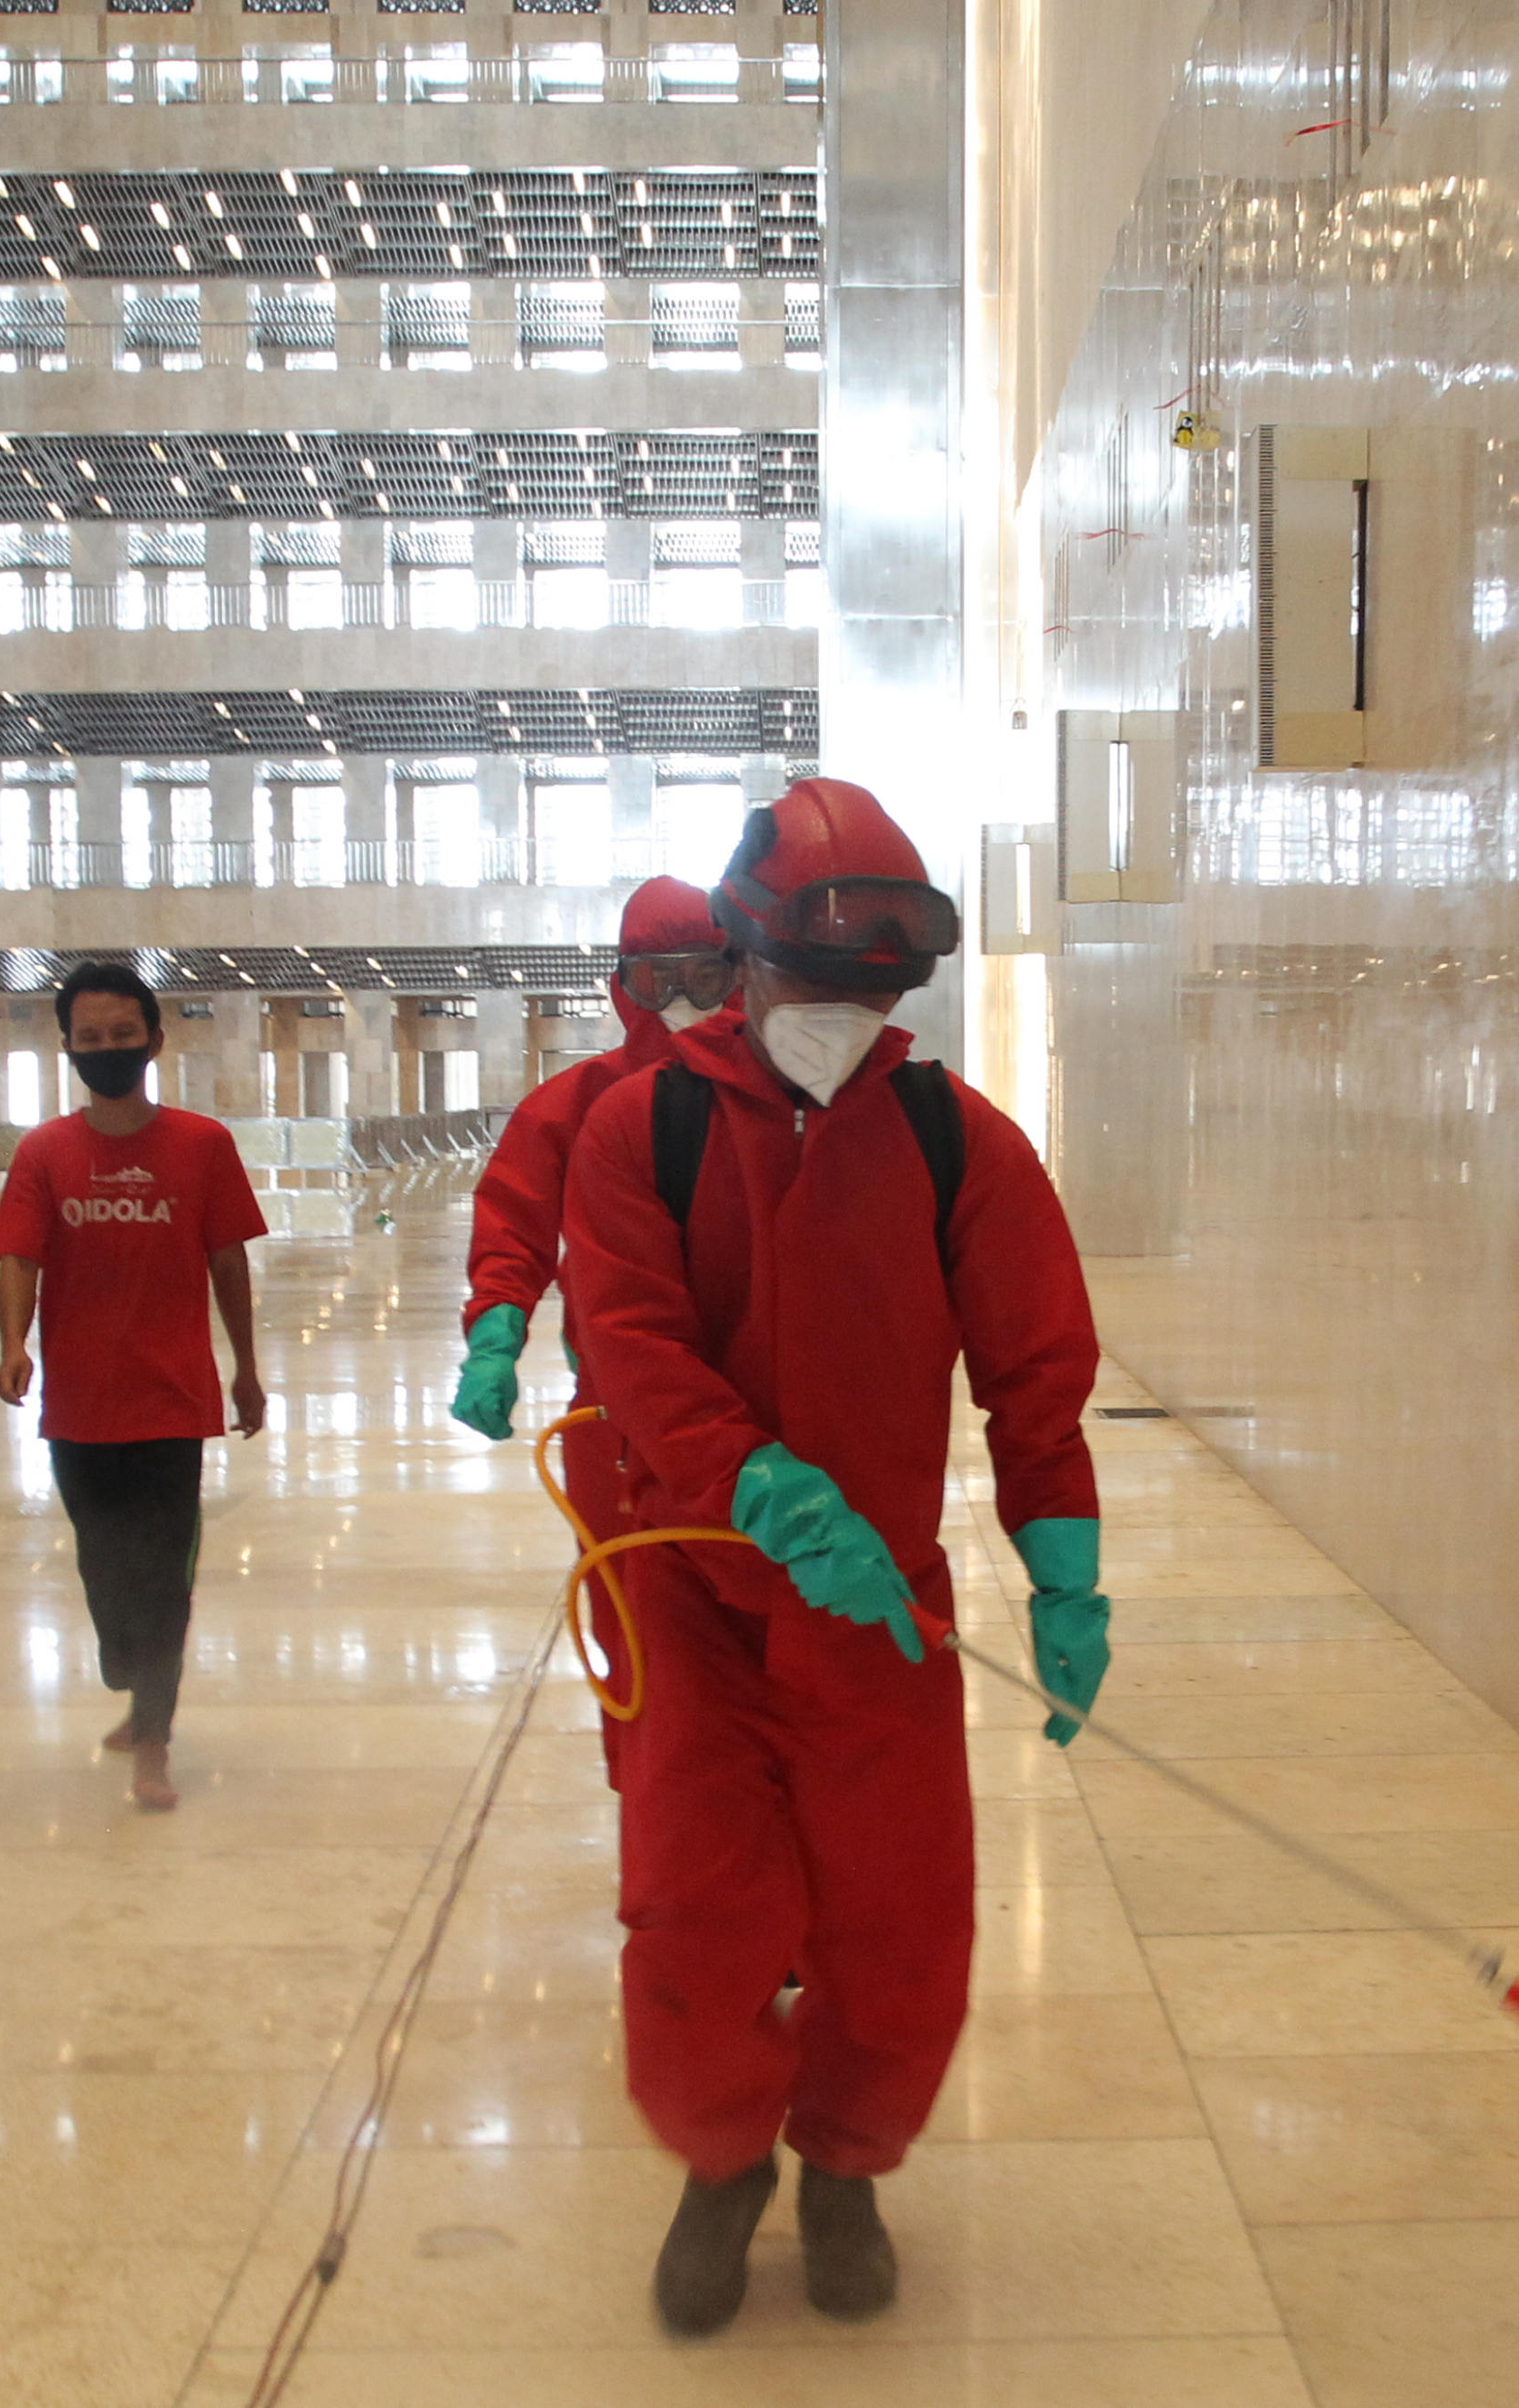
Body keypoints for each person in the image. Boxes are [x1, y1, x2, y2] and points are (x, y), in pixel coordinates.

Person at [557, 778, 1109, 2336]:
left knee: (900, 1912)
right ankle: (724, 2161)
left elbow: (1037, 1364)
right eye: (809, 980)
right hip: (698, 1595)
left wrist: (1064, 1565)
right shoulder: (643, 1129)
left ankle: (849, 2165)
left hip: (881, 1611)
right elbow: (633, 1340)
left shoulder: (955, 1142)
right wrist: (758, 1485)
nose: (834, 1020)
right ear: (744, 958)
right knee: (699, 1905)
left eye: (869, 991)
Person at [451, 874, 736, 1779]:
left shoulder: (778, 1100)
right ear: (622, 985)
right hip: (617, 1417)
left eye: (703, 974)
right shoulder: (577, 1105)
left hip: (756, 1401)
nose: (681, 999)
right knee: (635, 1625)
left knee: (758, 1632)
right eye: (658, 978)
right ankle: (651, 1790)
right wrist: (496, 1334)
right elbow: (513, 1221)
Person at [0, 962, 268, 1813]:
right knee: (103, 1567)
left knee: (163, 1578)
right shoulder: (44, 1152)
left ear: (154, 1040)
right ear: (68, 1046)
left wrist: (246, 1368)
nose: (106, 1048)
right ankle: (130, 1673)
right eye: (90, 1036)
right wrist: (12, 1344)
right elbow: (19, 1258)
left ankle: (153, 1735)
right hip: (79, 1405)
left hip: (172, 1402)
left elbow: (228, 1261)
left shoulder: (202, 1145)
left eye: (122, 1034)